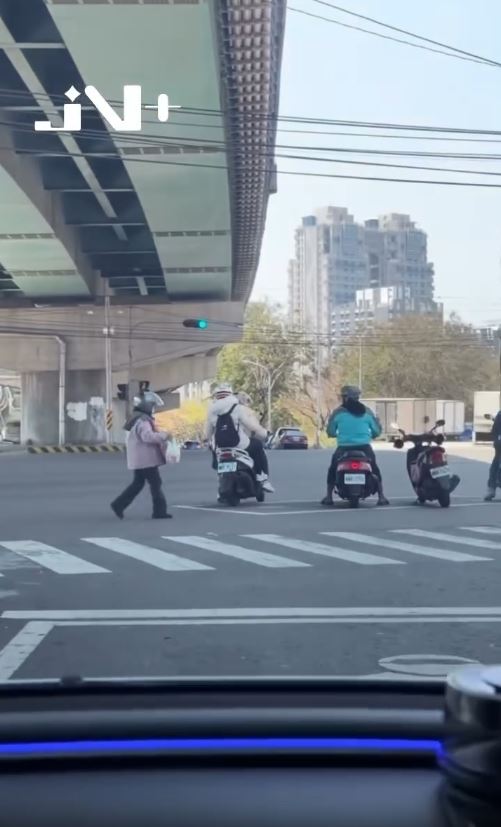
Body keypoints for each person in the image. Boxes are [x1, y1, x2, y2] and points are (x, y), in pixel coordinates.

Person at [321, 385, 389, 506]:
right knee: (374, 468)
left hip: (344, 448)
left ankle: (329, 497)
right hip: (364, 447)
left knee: (333, 468)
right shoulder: (367, 412)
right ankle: (381, 496)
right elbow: (377, 432)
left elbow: (330, 432)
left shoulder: (338, 413)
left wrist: (337, 434)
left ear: (345, 398)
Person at [111, 394, 172, 520]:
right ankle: (159, 512)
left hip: (139, 458)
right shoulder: (143, 420)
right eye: (153, 406)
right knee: (155, 483)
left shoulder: (136, 418)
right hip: (146, 459)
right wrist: (164, 435)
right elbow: (147, 437)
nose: (154, 409)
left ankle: (119, 504)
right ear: (147, 406)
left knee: (138, 483)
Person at [206, 383, 275, 493]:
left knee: (217, 460)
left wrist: (209, 443)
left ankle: (222, 485)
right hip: (239, 444)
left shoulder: (211, 410)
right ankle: (263, 479)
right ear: (230, 394)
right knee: (257, 447)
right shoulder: (236, 407)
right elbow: (251, 426)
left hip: (220, 447)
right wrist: (264, 434)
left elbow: (208, 433)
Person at [485, 409, 501, 501]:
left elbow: (494, 431)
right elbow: (494, 431)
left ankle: (491, 489)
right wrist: (496, 441)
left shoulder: (499, 414)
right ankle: (491, 489)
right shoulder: (499, 414)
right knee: (495, 465)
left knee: (495, 465)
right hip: (500, 445)